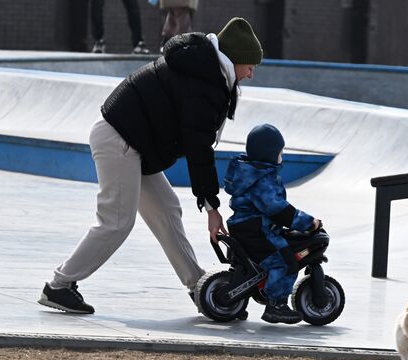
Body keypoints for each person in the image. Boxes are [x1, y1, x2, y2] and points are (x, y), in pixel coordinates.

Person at [38, 17, 263, 314]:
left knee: (167, 209)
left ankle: (199, 287)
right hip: (120, 139)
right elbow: (199, 148)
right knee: (117, 221)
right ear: (232, 60)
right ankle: (59, 285)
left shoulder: (207, 72)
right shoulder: (204, 82)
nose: (251, 74)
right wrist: (211, 207)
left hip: (136, 144)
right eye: (249, 66)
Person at [223, 124, 322, 324]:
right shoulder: (262, 180)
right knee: (285, 262)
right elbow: (278, 210)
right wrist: (308, 222)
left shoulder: (248, 173)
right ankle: (276, 305)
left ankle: (239, 301)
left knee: (270, 257)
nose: (281, 157)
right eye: (280, 152)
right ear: (270, 154)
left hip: (244, 227)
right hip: (258, 230)